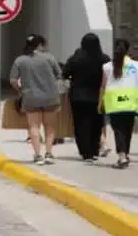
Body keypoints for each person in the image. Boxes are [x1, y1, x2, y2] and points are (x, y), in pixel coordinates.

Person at [9, 34, 63, 165]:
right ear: (39, 45)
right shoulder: (49, 58)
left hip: (31, 97)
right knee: (49, 127)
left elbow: (13, 80)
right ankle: (48, 154)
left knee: (34, 126)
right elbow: (59, 75)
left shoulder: (20, 60)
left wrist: (20, 90)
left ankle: (38, 155)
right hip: (50, 97)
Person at [62, 32, 110, 162]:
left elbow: (64, 73)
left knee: (80, 123)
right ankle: (94, 150)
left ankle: (85, 152)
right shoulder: (104, 59)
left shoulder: (75, 58)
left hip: (78, 96)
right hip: (98, 96)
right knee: (97, 123)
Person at [101, 38, 137, 169]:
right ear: (128, 49)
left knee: (119, 130)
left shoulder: (107, 66)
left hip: (114, 103)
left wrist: (100, 103)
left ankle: (122, 157)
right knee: (127, 130)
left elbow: (103, 86)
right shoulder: (136, 65)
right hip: (131, 102)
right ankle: (125, 154)